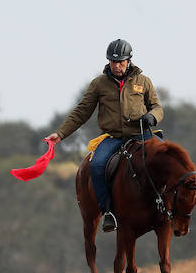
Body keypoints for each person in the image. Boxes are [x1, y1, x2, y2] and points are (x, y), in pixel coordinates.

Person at [45, 39, 164, 233]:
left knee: (167, 158)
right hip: (114, 138)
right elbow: (82, 112)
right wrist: (60, 134)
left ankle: (164, 205)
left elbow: (157, 107)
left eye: (121, 62)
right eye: (113, 62)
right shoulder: (99, 84)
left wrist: (152, 117)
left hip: (141, 134)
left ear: (130, 60)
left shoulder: (143, 81)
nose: (117, 66)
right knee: (97, 165)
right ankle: (108, 212)